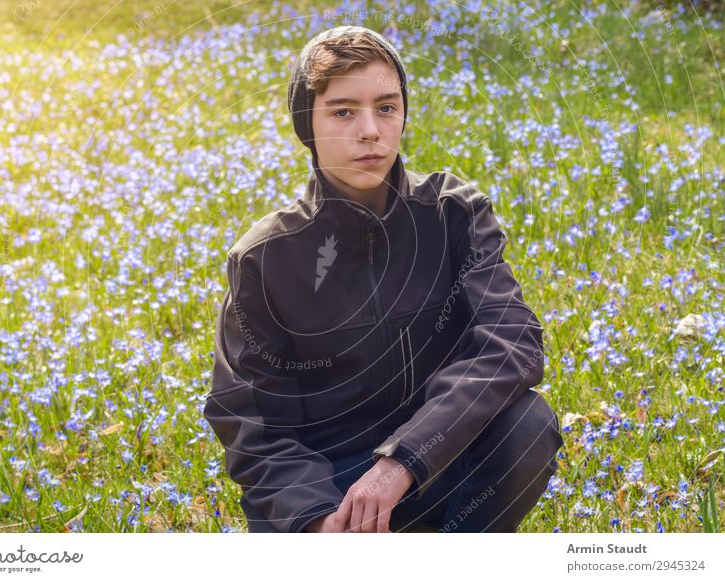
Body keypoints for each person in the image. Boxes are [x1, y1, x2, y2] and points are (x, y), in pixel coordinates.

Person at [203, 25, 564, 533]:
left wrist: (403, 461)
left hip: (429, 467)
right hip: (325, 490)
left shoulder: (454, 214)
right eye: (344, 111)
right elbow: (250, 420)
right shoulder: (264, 257)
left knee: (527, 424)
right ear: (307, 123)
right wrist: (316, 519)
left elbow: (511, 345)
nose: (369, 130)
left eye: (387, 108)